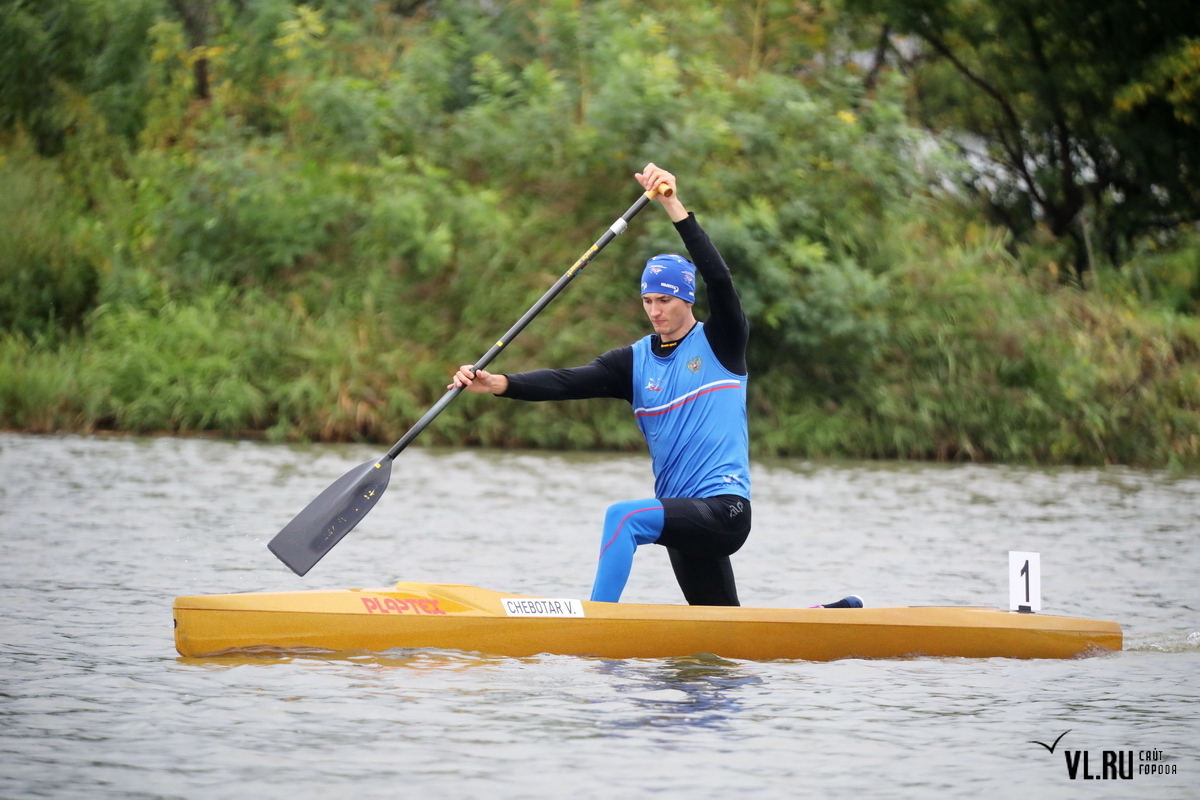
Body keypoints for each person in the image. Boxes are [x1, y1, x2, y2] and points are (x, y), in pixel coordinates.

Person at [451, 163, 751, 606]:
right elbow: (564, 382)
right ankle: (828, 618)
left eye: (665, 300)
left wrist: (672, 204)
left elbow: (720, 280)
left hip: (724, 509)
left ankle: (594, 621)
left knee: (623, 518)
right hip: (683, 518)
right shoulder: (634, 362)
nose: (655, 310)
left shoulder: (721, 342)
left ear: (687, 298)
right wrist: (500, 383)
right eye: (648, 300)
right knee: (725, 638)